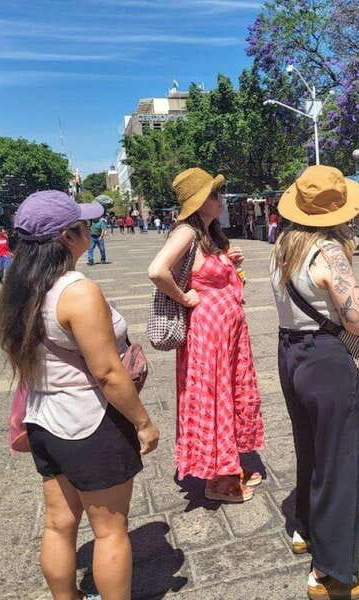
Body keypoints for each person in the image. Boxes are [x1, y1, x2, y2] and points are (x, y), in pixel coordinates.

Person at [0, 191, 160, 600]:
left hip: (43, 419)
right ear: (68, 236)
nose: (91, 228)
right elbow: (106, 372)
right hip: (90, 422)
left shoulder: (22, 288)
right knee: (110, 532)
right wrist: (143, 421)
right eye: (84, 224)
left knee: (58, 524)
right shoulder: (77, 291)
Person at [270, 165, 359, 600]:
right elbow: (358, 319)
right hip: (327, 361)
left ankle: (305, 529)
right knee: (339, 461)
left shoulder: (283, 247)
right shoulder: (328, 252)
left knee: (309, 447)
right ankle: (330, 572)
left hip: (290, 353)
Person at [148, 167, 264, 503]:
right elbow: (157, 270)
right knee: (215, 398)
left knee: (226, 396)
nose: (221, 199)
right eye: (215, 194)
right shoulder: (186, 231)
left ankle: (226, 465)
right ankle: (217, 481)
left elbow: (204, 270)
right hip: (208, 333)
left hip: (225, 331)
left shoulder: (208, 233)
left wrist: (227, 260)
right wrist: (183, 298)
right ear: (201, 202)